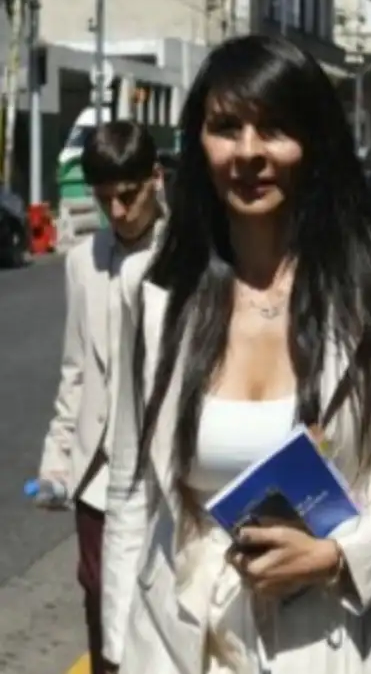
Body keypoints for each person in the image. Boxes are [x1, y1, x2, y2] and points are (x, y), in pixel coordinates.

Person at [101, 35, 371, 674]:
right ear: (199, 144)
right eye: (226, 128)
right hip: (188, 641)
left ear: (314, 142)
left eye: (274, 128)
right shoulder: (155, 290)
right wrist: (114, 645)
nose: (249, 152)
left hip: (348, 641)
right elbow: (134, 488)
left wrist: (341, 556)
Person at [37, 120, 164, 674]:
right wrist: (56, 463)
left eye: (128, 195)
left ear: (155, 179)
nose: (117, 211)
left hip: (162, 472)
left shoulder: (190, 254)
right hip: (97, 475)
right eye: (104, 197)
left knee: (156, 605)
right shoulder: (82, 262)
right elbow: (75, 372)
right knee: (99, 598)